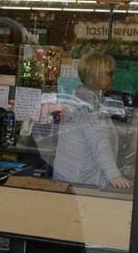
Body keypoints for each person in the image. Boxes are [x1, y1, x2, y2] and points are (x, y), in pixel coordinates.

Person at [53, 51, 131, 190]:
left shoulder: (82, 98)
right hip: (82, 181)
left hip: (70, 176)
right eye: (109, 74)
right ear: (97, 77)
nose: (113, 77)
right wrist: (114, 175)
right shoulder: (88, 105)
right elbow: (99, 142)